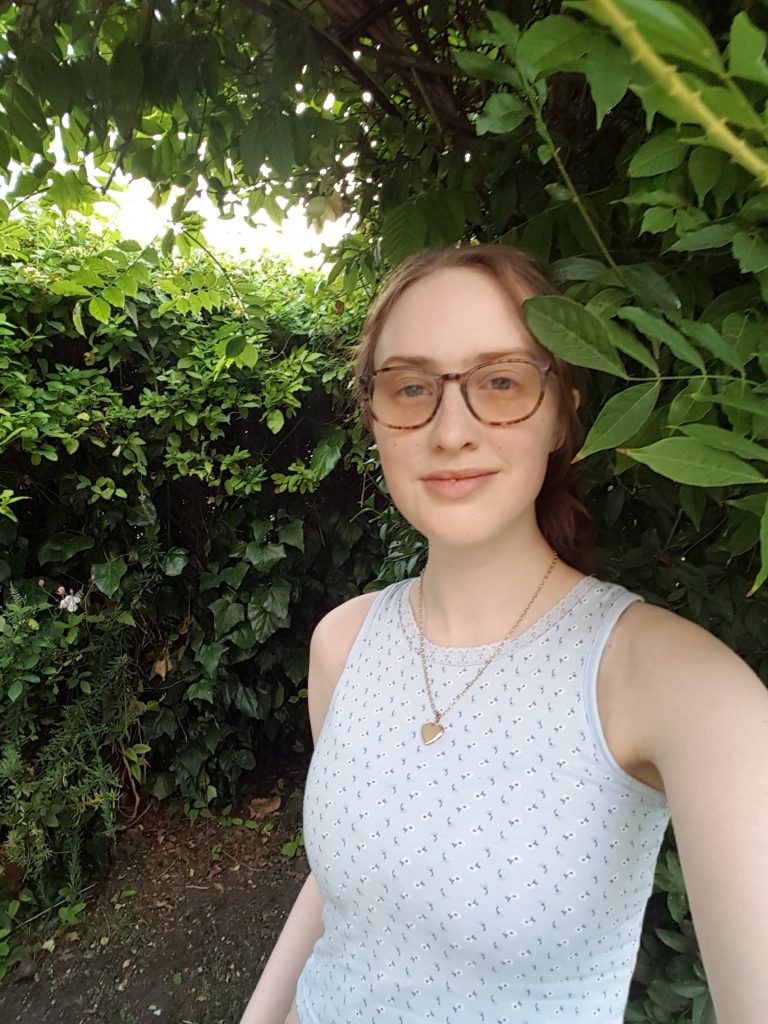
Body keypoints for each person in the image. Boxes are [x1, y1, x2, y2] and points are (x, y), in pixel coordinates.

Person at [239, 244, 768, 1024]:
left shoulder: (677, 686)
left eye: (501, 382)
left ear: (562, 412)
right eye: (411, 387)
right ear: (375, 419)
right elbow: (344, 888)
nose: (452, 430)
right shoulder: (341, 646)